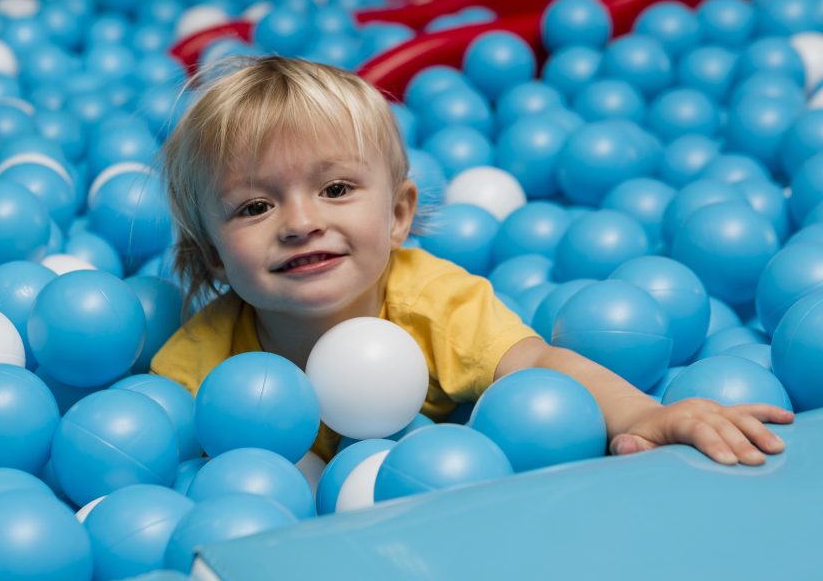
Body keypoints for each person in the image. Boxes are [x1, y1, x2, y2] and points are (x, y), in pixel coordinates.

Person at [150, 55, 793, 463]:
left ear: (399, 215)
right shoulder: (202, 362)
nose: (301, 222)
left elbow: (539, 363)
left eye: (336, 189)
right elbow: (160, 444)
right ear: (212, 255)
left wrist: (647, 415)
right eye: (255, 207)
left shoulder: (434, 302)